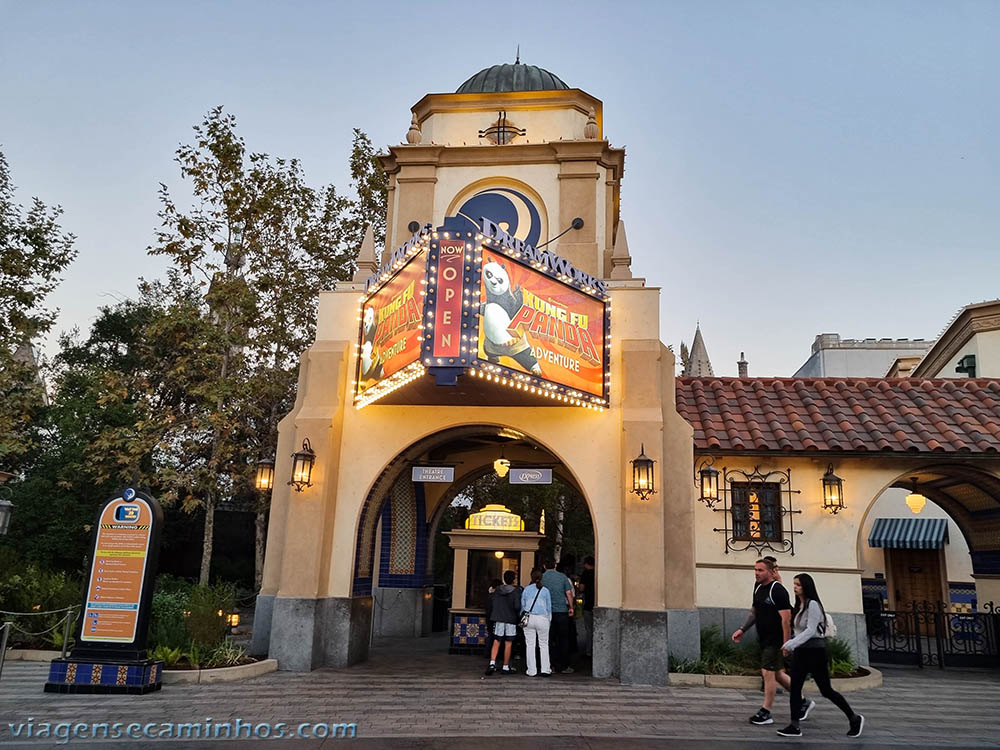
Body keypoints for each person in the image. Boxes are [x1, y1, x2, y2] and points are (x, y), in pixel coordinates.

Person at [777, 574, 865, 739]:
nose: (795, 587)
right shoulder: (800, 606)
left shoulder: (813, 605)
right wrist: (791, 645)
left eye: (798, 585)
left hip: (815, 652)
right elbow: (798, 630)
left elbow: (810, 631)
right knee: (795, 689)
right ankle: (794, 726)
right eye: (794, 584)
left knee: (826, 690)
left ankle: (854, 718)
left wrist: (790, 644)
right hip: (801, 653)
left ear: (806, 587)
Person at [732, 558, 793, 726]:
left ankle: (766, 712)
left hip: (776, 640)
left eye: (760, 570)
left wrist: (787, 643)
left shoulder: (778, 590)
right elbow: (754, 611)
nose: (756, 573)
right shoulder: (758, 588)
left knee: (767, 673)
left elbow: (786, 619)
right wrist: (742, 629)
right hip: (764, 638)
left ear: (771, 572)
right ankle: (802, 702)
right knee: (778, 674)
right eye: (755, 570)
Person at [541, 558, 575, 673]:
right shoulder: (562, 577)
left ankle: (550, 665)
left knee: (549, 640)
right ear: (555, 565)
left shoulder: (541, 578)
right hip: (561, 611)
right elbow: (569, 593)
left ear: (544, 566)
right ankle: (564, 665)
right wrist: (571, 607)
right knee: (563, 639)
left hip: (546, 613)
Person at [485, 571, 520, 675]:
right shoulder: (515, 591)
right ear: (513, 579)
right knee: (508, 643)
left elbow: (493, 603)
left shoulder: (498, 590)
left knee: (496, 641)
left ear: (504, 579)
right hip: (511, 619)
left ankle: (492, 663)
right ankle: (505, 666)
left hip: (498, 618)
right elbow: (517, 606)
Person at [521, 568, 553, 677]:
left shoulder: (526, 590)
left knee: (530, 644)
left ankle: (531, 670)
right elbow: (549, 608)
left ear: (531, 577)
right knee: (544, 644)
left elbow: (523, 607)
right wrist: (549, 620)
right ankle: (545, 669)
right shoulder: (545, 591)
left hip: (529, 618)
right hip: (543, 618)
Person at [579, 556, 595, 657]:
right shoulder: (598, 572)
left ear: (586, 564)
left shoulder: (585, 574)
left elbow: (581, 588)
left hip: (588, 604)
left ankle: (589, 651)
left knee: (589, 629)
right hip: (597, 603)